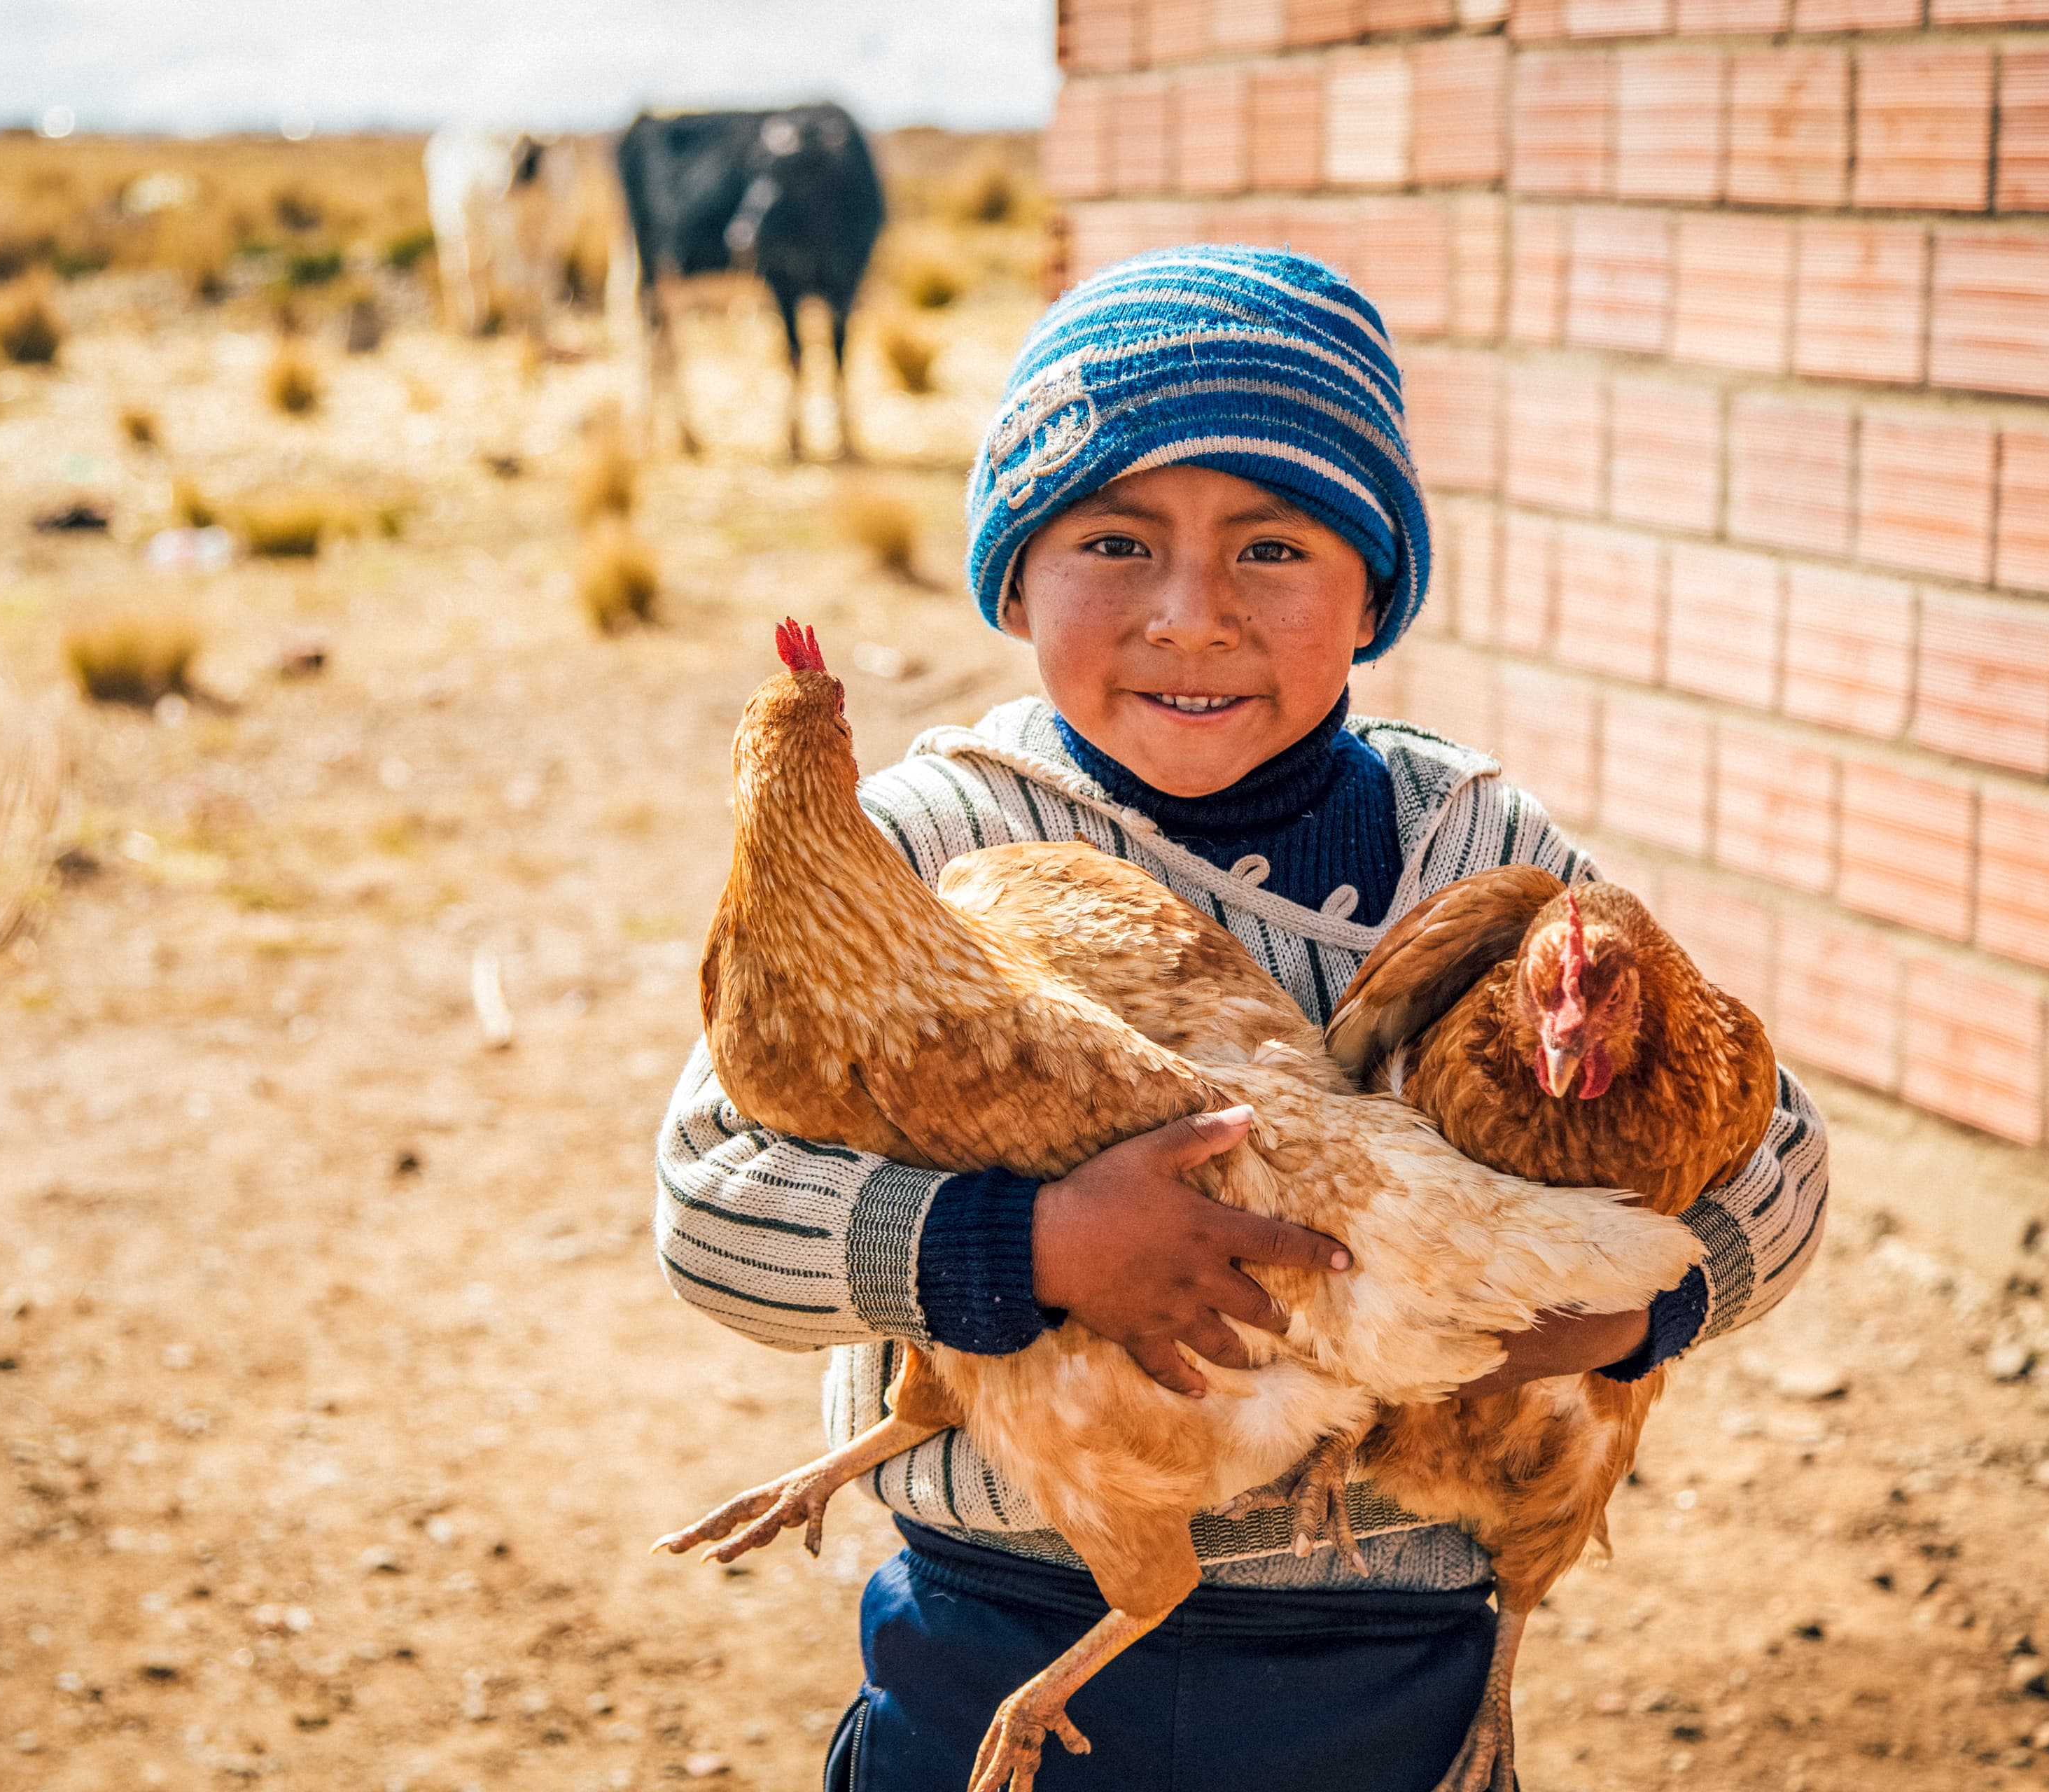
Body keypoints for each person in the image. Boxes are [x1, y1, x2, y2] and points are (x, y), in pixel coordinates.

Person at [652, 244, 1830, 1792]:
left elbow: (1777, 1159)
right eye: (1116, 541)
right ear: (1015, 574)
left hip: (1381, 1632)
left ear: (1374, 591)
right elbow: (712, 1202)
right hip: (1007, 1600)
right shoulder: (913, 851)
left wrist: (1635, 1313)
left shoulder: (1473, 851)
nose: (1190, 614)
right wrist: (1027, 1248)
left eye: (1272, 549)